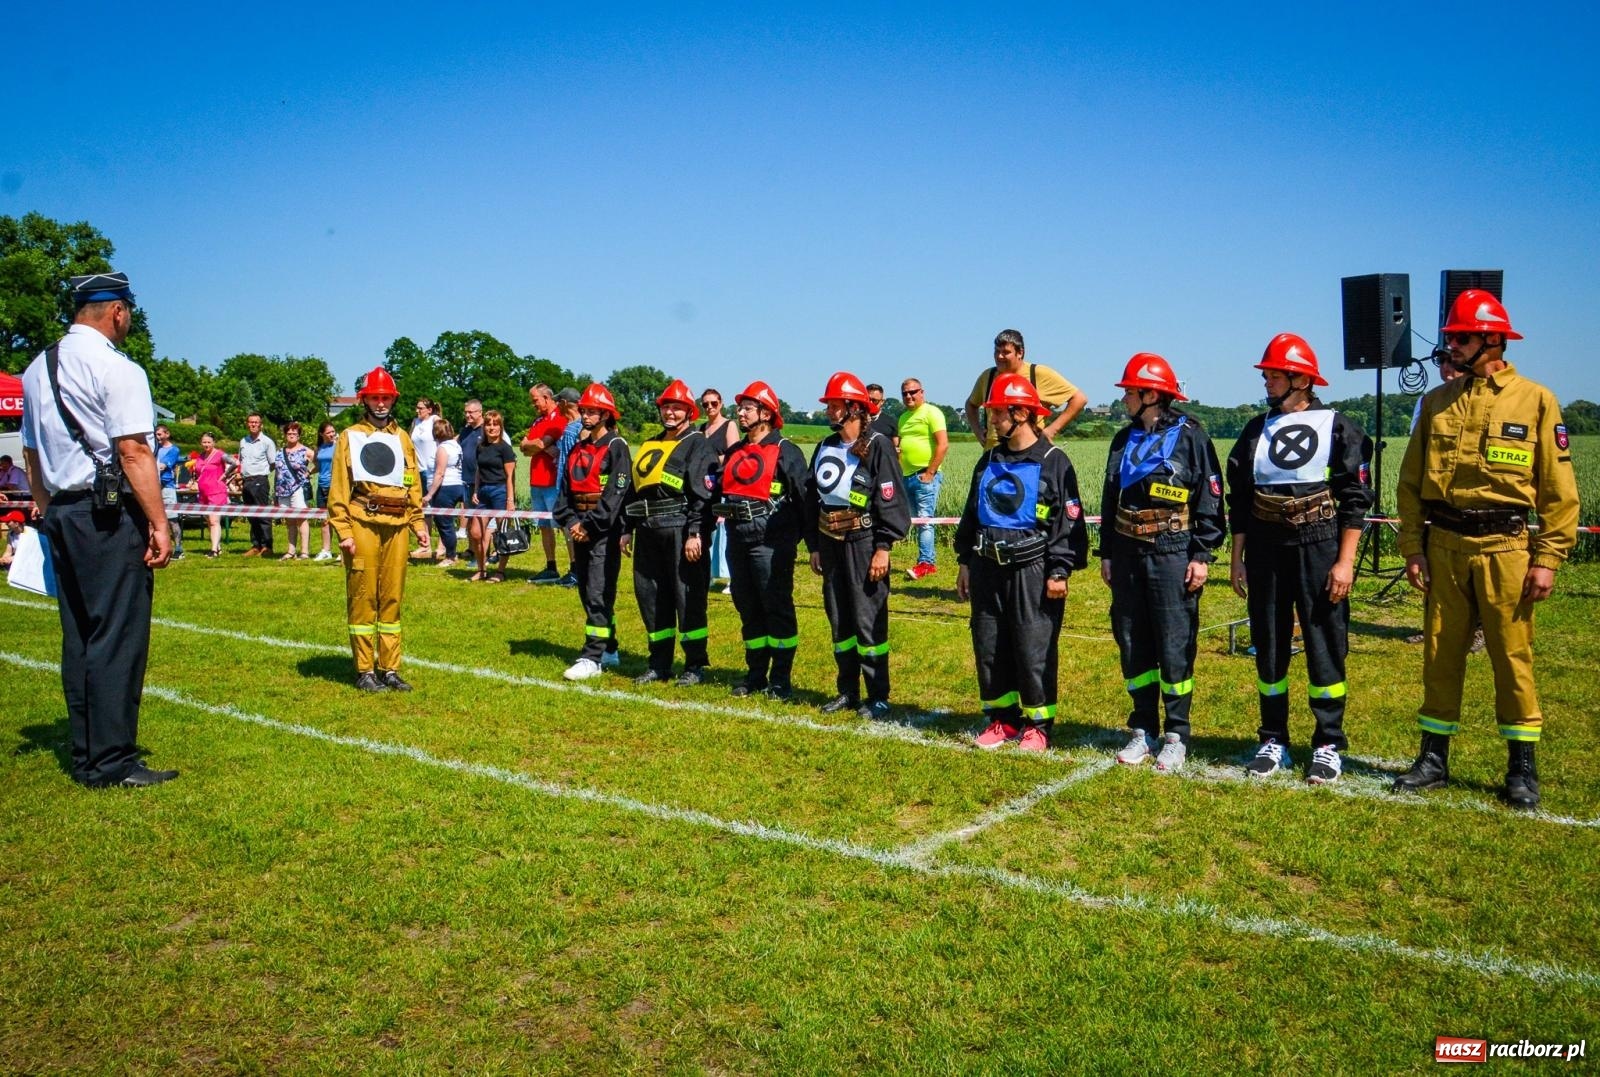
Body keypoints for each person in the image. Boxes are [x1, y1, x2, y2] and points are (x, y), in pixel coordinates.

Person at [1392, 291, 1580, 811]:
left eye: (1461, 337)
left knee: (1512, 656)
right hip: (1444, 546)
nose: (1451, 345)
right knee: (1440, 653)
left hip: (1507, 549)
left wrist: (1548, 558)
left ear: (1492, 340)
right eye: (1452, 337)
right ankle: (1433, 757)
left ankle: (1522, 767)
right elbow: (1409, 486)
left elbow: (1560, 492)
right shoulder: (1435, 403)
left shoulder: (1536, 400)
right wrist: (1414, 547)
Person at [19, 270, 177, 787]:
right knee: (117, 635)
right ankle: (112, 761)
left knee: (81, 635)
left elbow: (32, 452)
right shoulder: (118, 368)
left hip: (63, 508)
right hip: (107, 514)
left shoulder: (37, 368)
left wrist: (46, 508)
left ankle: (87, 752)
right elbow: (133, 451)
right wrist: (159, 521)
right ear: (118, 311)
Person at [1226, 333, 1371, 784]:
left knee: (1324, 641)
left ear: (1302, 379)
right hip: (1266, 547)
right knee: (1269, 642)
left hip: (1320, 544)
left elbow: (1355, 498)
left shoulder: (1338, 426)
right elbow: (1241, 499)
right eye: (1267, 374)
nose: (1267, 381)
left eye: (1274, 374)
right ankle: (1273, 738)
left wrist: (1344, 562)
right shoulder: (1255, 430)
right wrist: (1237, 558)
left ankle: (1327, 743)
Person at [1099, 355, 1226, 772]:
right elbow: (1109, 496)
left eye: (1130, 393)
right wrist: (1108, 553)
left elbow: (1210, 497)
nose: (1124, 400)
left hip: (1173, 549)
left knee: (1173, 643)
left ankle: (1176, 734)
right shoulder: (1122, 439)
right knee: (1132, 640)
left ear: (1151, 394)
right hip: (1128, 549)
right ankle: (1142, 729)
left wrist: (1202, 554)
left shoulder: (1192, 436)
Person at [955, 373, 1089, 752]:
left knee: (1033, 647)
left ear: (1020, 414)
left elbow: (1069, 521)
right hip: (986, 566)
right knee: (990, 644)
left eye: (997, 413)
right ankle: (1002, 720)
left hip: (1033, 570)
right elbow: (972, 513)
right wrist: (965, 560)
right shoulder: (989, 460)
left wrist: (1060, 569)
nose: (991, 421)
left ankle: (1038, 724)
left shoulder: (1053, 461)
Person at [807, 371, 911, 719]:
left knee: (868, 621)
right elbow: (812, 498)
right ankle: (847, 690)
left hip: (865, 543)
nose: (829, 411)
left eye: (835, 405)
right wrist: (815, 545)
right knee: (840, 619)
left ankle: (877, 694)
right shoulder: (825, 446)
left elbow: (891, 498)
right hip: (831, 541)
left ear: (853, 408)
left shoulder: (878, 444)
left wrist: (884, 548)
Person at [327, 366, 428, 691]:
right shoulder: (349, 437)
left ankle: (390, 669)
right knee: (363, 596)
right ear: (365, 400)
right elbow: (339, 489)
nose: (381, 403)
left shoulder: (402, 438)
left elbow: (412, 482)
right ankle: (364, 670)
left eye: (386, 397)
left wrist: (418, 522)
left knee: (392, 600)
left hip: (397, 527)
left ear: (393, 400)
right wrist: (344, 531)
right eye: (375, 397)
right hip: (362, 524)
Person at [716, 381, 813, 699]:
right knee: (749, 610)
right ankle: (755, 674)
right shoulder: (734, 452)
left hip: (771, 544)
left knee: (777, 609)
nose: (740, 413)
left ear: (767, 414)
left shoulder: (787, 451)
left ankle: (781, 679)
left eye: (747, 408)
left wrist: (809, 545)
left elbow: (805, 501)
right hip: (737, 541)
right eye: (740, 407)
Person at [622, 379, 719, 686]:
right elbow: (634, 492)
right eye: (666, 407)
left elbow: (704, 496)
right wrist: (627, 529)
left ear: (689, 412)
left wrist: (695, 534)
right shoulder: (651, 443)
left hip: (680, 530)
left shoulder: (698, 444)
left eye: (677, 408)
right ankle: (658, 662)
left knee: (687, 598)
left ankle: (694, 665)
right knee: (650, 597)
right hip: (648, 531)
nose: (671, 413)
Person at [555, 384, 632, 680]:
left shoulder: (617, 447)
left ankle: (592, 657)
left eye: (592, 411)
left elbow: (617, 493)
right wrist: (572, 521)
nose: (585, 415)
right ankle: (609, 647)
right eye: (584, 410)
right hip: (579, 527)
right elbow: (565, 491)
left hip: (603, 531)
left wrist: (589, 526)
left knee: (599, 592)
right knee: (587, 591)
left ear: (606, 414)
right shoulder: (578, 447)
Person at [963, 329, 1089, 449]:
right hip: (993, 455)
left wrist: (1051, 430)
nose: (999, 356)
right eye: (996, 351)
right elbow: (970, 404)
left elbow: (1079, 398)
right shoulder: (987, 376)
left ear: (1020, 353)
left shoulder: (1038, 374)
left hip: (1029, 453)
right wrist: (978, 431)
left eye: (1006, 352)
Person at [896, 377, 949, 579]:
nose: (909, 396)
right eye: (905, 393)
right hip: (907, 476)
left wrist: (930, 473)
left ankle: (926, 563)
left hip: (924, 475)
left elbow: (943, 444)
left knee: (925, 520)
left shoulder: (932, 412)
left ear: (922, 392)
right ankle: (927, 559)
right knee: (917, 521)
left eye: (913, 392)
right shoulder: (903, 418)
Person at [522, 383, 569, 583]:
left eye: (535, 401)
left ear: (547, 398)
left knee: (563, 525)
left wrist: (537, 445)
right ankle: (551, 566)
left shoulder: (559, 419)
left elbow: (539, 444)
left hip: (552, 482)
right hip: (536, 481)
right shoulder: (538, 420)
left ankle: (574, 568)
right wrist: (536, 446)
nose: (534, 405)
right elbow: (524, 446)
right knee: (543, 525)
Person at [698, 387, 740, 590]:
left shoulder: (729, 425)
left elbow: (734, 454)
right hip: (704, 486)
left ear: (721, 404)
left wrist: (714, 459)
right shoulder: (701, 428)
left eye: (713, 403)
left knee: (723, 530)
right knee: (708, 531)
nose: (710, 407)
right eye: (705, 404)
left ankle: (729, 577)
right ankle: (710, 574)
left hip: (722, 484)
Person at [472, 409, 519, 582]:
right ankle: (482, 569)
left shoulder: (505, 449)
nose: (491, 428)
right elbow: (478, 470)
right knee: (476, 533)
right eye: (488, 424)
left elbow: (510, 476)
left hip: (500, 491)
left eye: (495, 424)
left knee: (502, 534)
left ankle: (500, 571)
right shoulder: (481, 447)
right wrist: (476, 490)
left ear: (500, 426)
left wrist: (510, 500)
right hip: (483, 492)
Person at [549, 387, 583, 587]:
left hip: (568, 488)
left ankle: (575, 571)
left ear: (563, 403)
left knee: (571, 532)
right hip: (577, 488)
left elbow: (571, 462)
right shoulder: (582, 426)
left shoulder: (571, 429)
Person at [424, 416, 465, 567]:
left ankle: (451, 556)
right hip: (458, 485)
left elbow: (440, 473)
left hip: (446, 488)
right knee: (449, 523)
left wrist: (430, 494)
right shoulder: (456, 445)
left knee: (444, 523)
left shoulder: (443, 448)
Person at [191, 431, 237, 557]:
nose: (206, 445)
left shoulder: (220, 454)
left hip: (216, 491)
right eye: (204, 442)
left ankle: (214, 550)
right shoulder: (200, 456)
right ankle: (217, 546)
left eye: (209, 442)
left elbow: (235, 463)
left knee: (214, 520)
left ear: (213, 443)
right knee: (208, 520)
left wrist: (224, 476)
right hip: (203, 492)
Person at [237, 411, 276, 556]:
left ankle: (267, 546)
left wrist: (260, 473)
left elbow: (273, 464)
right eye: (251, 422)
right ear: (247, 424)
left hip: (260, 480)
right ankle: (256, 545)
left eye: (256, 422)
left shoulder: (267, 442)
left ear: (261, 425)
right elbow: (240, 461)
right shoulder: (243, 441)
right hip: (246, 481)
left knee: (263, 515)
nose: (253, 424)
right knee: (251, 514)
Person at [273, 420, 312, 559]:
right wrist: (275, 493)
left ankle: (305, 551)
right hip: (282, 490)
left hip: (298, 488)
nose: (291, 435)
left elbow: (320, 462)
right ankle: (291, 551)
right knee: (289, 521)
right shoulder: (279, 452)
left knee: (301, 519)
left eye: (294, 433)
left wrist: (309, 473)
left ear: (299, 435)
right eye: (288, 433)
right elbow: (277, 472)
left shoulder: (305, 451)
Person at [458, 399, 487, 574]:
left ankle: (482, 555)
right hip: (466, 481)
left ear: (480, 412)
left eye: (471, 412)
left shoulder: (486, 430)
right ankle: (472, 549)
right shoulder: (466, 431)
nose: (467, 415)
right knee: (470, 519)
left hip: (481, 483)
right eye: (466, 412)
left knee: (480, 523)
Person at [410, 398, 439, 559]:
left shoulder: (435, 420)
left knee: (438, 508)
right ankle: (425, 544)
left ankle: (443, 546)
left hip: (433, 470)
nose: (417, 410)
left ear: (429, 409)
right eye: (417, 407)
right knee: (422, 509)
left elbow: (445, 438)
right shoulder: (415, 422)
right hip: (418, 470)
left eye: (420, 408)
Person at [152, 427, 184, 560]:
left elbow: (163, 466)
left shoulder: (174, 450)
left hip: (167, 487)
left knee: (172, 520)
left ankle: (178, 548)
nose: (157, 437)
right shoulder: (154, 448)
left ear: (167, 434)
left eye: (159, 434)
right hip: (153, 486)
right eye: (156, 434)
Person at [313, 421, 337, 559]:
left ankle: (341, 552)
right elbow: (318, 465)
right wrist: (307, 472)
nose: (332, 434)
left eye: (333, 431)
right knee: (324, 520)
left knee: (338, 518)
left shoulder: (338, 445)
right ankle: (326, 550)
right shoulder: (319, 448)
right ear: (322, 434)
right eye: (328, 432)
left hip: (334, 486)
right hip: (322, 485)